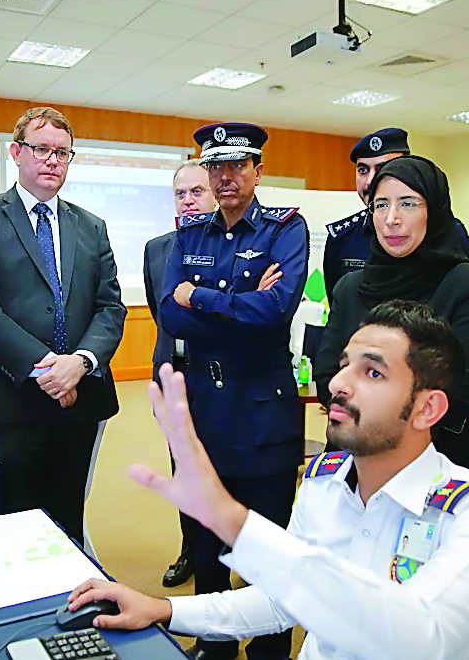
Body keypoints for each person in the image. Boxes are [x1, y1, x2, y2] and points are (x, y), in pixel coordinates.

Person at [67, 301, 469, 660]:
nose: (338, 385)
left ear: (428, 409)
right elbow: (282, 600)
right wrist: (166, 611)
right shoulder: (325, 483)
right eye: (345, 364)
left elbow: (419, 637)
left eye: (372, 372)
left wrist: (229, 519)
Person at [157, 122, 308, 660]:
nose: (225, 177)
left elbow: (275, 313)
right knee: (208, 542)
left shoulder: (285, 229)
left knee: (269, 546)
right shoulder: (189, 234)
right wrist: (234, 304)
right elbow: (169, 316)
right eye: (215, 166)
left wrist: (197, 297)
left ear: (257, 171)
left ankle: (269, 652)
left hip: (264, 417)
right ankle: (215, 645)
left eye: (237, 166)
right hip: (207, 413)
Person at [0, 106, 125, 544]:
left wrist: (81, 362)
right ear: (15, 152)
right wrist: (48, 366)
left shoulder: (92, 226)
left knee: (68, 518)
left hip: (80, 401)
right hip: (11, 401)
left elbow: (110, 307)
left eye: (63, 153)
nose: (52, 160)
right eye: (41, 149)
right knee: (13, 523)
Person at [314, 155, 469, 479]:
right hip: (352, 462)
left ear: (435, 211)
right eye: (381, 205)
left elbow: (462, 389)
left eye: (408, 204)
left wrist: (368, 413)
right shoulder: (350, 287)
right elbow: (328, 374)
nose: (391, 219)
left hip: (436, 463)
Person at [144, 158, 216, 589]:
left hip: (221, 376)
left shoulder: (233, 244)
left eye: (197, 192)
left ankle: (225, 549)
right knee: (182, 466)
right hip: (173, 374)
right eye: (180, 194)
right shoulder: (156, 248)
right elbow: (160, 311)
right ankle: (191, 548)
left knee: (223, 465)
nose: (188, 201)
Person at [322, 128, 469, 301]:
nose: (370, 181)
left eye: (382, 169)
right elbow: (339, 307)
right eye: (363, 170)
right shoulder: (342, 237)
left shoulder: (448, 232)